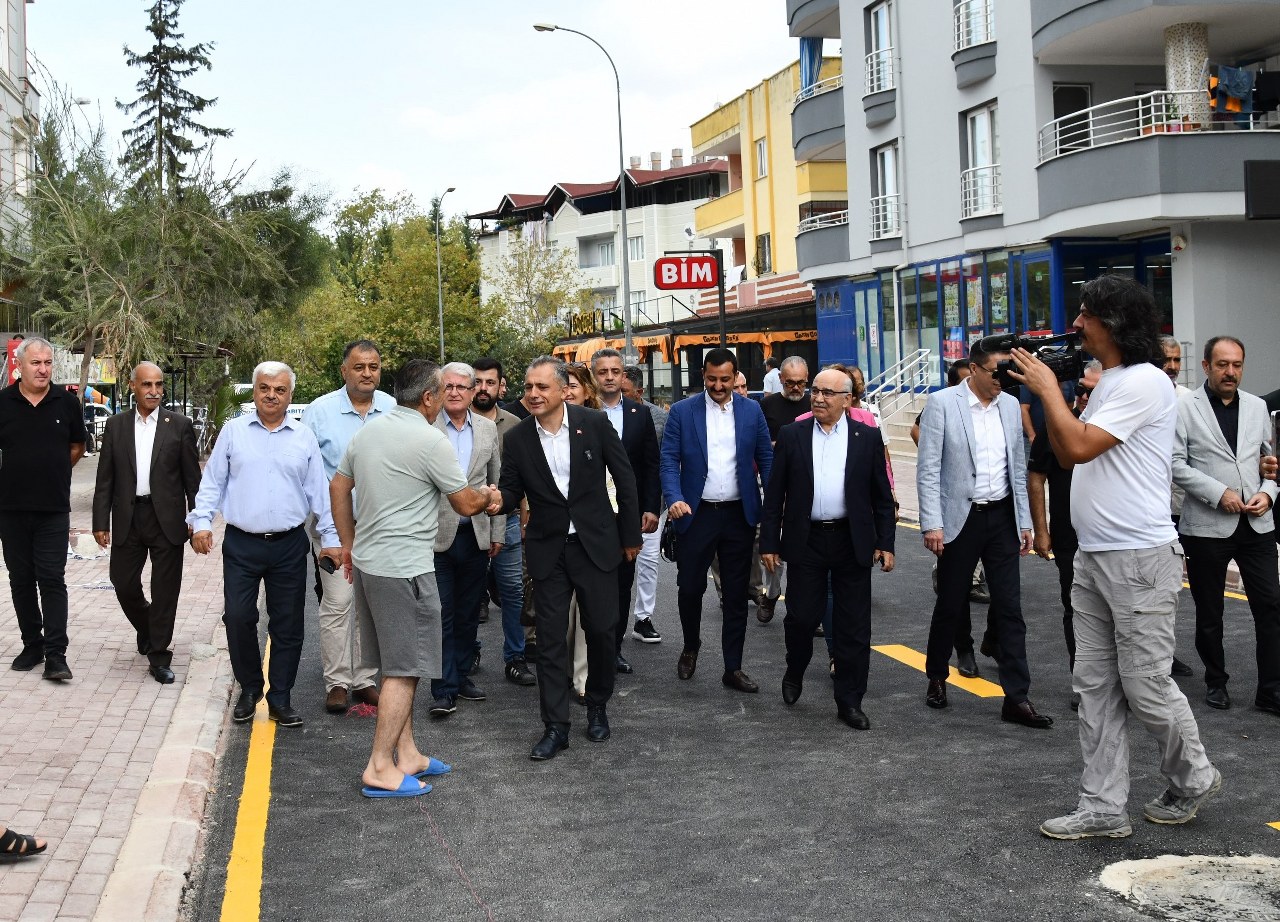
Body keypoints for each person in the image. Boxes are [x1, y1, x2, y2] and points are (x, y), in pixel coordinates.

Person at [1016, 275, 1218, 840]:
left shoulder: (1145, 382)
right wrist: (1054, 396)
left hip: (1137, 557)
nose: (1077, 325)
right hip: (1096, 554)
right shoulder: (1112, 381)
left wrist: (1049, 392)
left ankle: (1194, 776)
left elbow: (1078, 446)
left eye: (1086, 316)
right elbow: (1065, 451)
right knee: (1095, 685)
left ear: (1115, 324)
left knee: (1146, 684)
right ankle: (1103, 807)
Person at [330, 359, 498, 797]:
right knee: (405, 672)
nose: (447, 398)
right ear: (428, 397)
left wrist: (348, 544)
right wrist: (490, 497)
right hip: (405, 568)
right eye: (442, 391)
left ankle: (408, 755)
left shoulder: (369, 432)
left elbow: (337, 486)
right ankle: (379, 766)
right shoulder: (430, 439)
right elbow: (464, 503)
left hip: (369, 564)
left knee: (393, 666)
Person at [493, 357, 641, 760]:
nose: (533, 395)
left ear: (563, 390)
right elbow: (510, 490)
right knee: (551, 640)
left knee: (601, 631)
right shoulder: (519, 438)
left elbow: (625, 479)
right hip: (548, 550)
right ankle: (555, 726)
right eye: (528, 387)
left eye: (542, 387)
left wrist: (630, 536)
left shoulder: (591, 424)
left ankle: (597, 706)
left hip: (596, 545)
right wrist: (493, 502)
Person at [189, 362, 342, 728]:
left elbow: (319, 493)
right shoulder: (233, 432)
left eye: (280, 390)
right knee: (239, 617)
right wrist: (200, 523)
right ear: (255, 391)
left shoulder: (303, 437)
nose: (271, 395)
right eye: (264, 388)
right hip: (242, 544)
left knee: (288, 624)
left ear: (290, 395)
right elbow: (212, 482)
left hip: (289, 544)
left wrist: (332, 540)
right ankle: (249, 688)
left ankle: (281, 697)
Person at [916, 340, 1051, 728]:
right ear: (973, 369)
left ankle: (1017, 697)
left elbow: (1018, 465)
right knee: (951, 602)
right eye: (996, 373)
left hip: (1002, 518)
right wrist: (932, 523)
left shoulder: (1009, 405)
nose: (1003, 381)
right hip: (961, 517)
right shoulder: (943, 404)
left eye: (1008, 374)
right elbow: (928, 469)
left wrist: (1025, 522)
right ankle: (937, 676)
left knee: (1010, 607)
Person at [760, 368, 896, 730]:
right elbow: (775, 495)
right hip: (807, 540)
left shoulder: (866, 438)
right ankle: (796, 666)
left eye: (827, 393)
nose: (818, 398)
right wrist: (769, 542)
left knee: (854, 626)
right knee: (802, 617)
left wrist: (886, 542)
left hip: (852, 540)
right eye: (815, 391)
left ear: (847, 400)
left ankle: (850, 700)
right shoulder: (792, 435)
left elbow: (883, 497)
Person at [1172, 336, 1279, 716]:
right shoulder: (1184, 407)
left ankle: (1271, 689)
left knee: (1270, 606)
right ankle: (1216, 682)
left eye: (1236, 364)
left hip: (1257, 525)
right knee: (1210, 612)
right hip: (1206, 526)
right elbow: (1175, 464)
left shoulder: (1259, 406)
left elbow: (1271, 462)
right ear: (1206, 366)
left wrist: (1268, 492)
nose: (1230, 371)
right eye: (1222, 364)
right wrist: (1219, 494)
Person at [661, 348, 774, 692]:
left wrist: (775, 506)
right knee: (690, 587)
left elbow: (766, 458)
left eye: (725, 379)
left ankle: (733, 667)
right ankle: (691, 645)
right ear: (703, 376)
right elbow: (667, 459)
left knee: (737, 593)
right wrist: (674, 498)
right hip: (697, 515)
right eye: (712, 379)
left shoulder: (752, 410)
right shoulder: (682, 411)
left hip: (739, 515)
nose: (718, 385)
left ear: (737, 377)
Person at [92, 362, 201, 684]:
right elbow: (104, 479)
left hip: (166, 519)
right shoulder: (116, 425)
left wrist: (197, 520)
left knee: (165, 590)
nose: (154, 391)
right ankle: (149, 628)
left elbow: (192, 481)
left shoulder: (179, 425)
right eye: (147, 385)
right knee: (123, 582)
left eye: (158, 385)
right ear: (132, 386)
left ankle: (159, 656)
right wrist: (101, 521)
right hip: (128, 516)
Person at [300, 340, 393, 713]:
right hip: (334, 526)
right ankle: (337, 681)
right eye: (359, 367)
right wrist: (326, 532)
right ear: (344, 371)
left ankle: (365, 679)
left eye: (373, 366)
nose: (367, 373)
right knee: (338, 603)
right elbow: (309, 475)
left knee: (370, 606)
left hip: (381, 526)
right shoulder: (320, 412)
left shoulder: (392, 409)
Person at [0, 337, 86, 681]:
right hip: (10, 510)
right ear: (18, 366)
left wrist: (53, 471)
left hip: (52, 509)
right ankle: (32, 644)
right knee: (21, 580)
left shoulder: (66, 402)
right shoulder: (3, 403)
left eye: (48, 363)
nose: (43, 369)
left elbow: (78, 446)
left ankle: (56, 654)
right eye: (36, 363)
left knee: (52, 578)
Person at [427, 362, 503, 718]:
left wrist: (498, 532)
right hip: (434, 536)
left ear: (474, 392)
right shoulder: (427, 427)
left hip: (476, 535)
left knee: (468, 612)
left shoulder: (488, 430)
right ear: (439, 390)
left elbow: (496, 484)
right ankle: (443, 688)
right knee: (441, 613)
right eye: (449, 386)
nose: (455, 392)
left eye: (462, 386)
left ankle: (461, 677)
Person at [1027, 360, 1101, 709]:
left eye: (1093, 391)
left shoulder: (1118, 423)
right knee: (1077, 607)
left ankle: (1118, 682)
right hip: (1070, 534)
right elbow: (1036, 476)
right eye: (1081, 390)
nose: (1084, 397)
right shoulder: (1057, 424)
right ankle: (1084, 683)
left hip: (1114, 535)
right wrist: (1041, 531)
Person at [591, 348, 661, 668]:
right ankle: (588, 651)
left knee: (622, 584)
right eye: (602, 371)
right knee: (590, 586)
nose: (609, 377)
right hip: (588, 514)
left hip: (626, 515)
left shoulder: (639, 413)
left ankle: (613, 650)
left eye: (615, 371)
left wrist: (650, 508)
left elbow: (650, 465)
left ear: (623, 376)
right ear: (594, 375)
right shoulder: (578, 412)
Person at [472, 357, 535, 687]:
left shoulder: (515, 424)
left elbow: (524, 473)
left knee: (512, 592)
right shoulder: (456, 421)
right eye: (477, 382)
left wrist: (524, 513)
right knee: (468, 593)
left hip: (508, 522)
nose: (483, 388)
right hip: (465, 523)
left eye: (490, 382)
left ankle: (515, 656)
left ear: (501, 386)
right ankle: (469, 652)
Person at [621, 364, 668, 645]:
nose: (618, 396)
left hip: (650, 503)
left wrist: (660, 504)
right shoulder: (600, 413)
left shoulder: (659, 418)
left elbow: (661, 463)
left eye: (625, 392)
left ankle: (643, 618)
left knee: (648, 560)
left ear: (639, 392)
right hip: (613, 504)